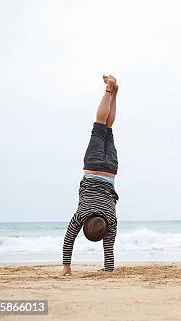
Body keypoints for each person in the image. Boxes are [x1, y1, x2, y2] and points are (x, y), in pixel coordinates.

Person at [61, 75, 121, 276]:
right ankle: (108, 90)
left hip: (111, 170)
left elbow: (109, 249)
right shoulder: (81, 215)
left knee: (108, 129)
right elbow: (69, 238)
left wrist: (109, 269)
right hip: (93, 168)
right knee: (99, 125)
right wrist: (66, 267)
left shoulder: (111, 220)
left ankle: (114, 94)